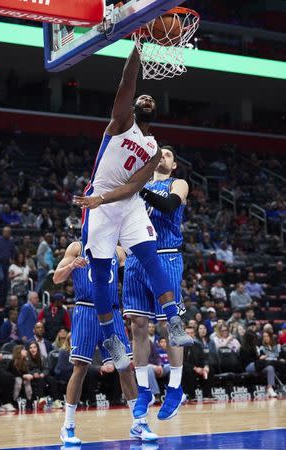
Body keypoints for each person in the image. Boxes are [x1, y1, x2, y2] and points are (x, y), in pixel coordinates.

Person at [72, 47, 190, 370]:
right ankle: (111, 337)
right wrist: (139, 45)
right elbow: (128, 79)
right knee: (99, 274)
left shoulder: (153, 149)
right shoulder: (121, 122)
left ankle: (173, 322)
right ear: (134, 106)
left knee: (151, 256)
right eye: (142, 98)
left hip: (125, 201)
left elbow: (135, 187)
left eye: (152, 99)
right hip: (99, 201)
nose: (147, 99)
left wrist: (109, 199)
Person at [53, 240, 157, 445]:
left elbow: (129, 278)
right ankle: (68, 426)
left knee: (125, 366)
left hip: (111, 311)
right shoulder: (77, 247)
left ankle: (139, 422)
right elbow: (57, 278)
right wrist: (72, 265)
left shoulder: (117, 251)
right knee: (80, 367)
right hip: (86, 309)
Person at [122, 144, 192, 422]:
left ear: (174, 164)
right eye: (159, 153)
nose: (162, 156)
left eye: (167, 154)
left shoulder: (179, 183)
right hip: (137, 258)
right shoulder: (140, 184)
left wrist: (140, 190)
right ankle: (143, 390)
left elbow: (168, 205)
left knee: (168, 324)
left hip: (165, 255)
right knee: (137, 325)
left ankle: (175, 388)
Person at [239, 330, 277, 398]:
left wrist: (260, 357)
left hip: (257, 365)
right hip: (248, 367)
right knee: (265, 362)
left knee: (270, 368)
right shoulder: (242, 348)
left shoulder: (254, 347)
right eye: (253, 338)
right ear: (249, 338)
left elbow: (256, 359)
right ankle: (275, 363)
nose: (254, 340)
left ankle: (270, 388)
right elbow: (246, 361)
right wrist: (259, 359)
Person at [27, 341, 62, 409]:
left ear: (37, 348)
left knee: (52, 380)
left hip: (42, 375)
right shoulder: (27, 358)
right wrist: (33, 374)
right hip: (32, 377)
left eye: (34, 347)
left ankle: (56, 401)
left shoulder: (42, 357)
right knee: (41, 380)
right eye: (30, 348)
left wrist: (43, 373)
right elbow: (25, 370)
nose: (33, 349)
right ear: (28, 349)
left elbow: (46, 368)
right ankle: (40, 400)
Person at [0, 226, 16, 307]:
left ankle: (3, 299)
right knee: (1, 278)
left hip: (7, 263)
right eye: (6, 232)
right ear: (3, 232)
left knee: (6, 281)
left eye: (8, 232)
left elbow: (13, 251)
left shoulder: (11, 241)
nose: (7, 233)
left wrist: (12, 259)